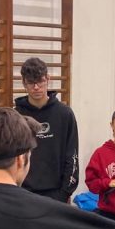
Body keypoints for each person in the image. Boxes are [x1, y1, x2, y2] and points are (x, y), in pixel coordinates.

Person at [13, 57, 78, 202]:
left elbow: (72, 156)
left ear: (48, 79)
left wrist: (64, 193)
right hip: (23, 194)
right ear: (24, 83)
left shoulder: (65, 114)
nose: (36, 87)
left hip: (57, 194)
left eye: (40, 81)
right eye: (31, 82)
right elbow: (10, 156)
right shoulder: (16, 115)